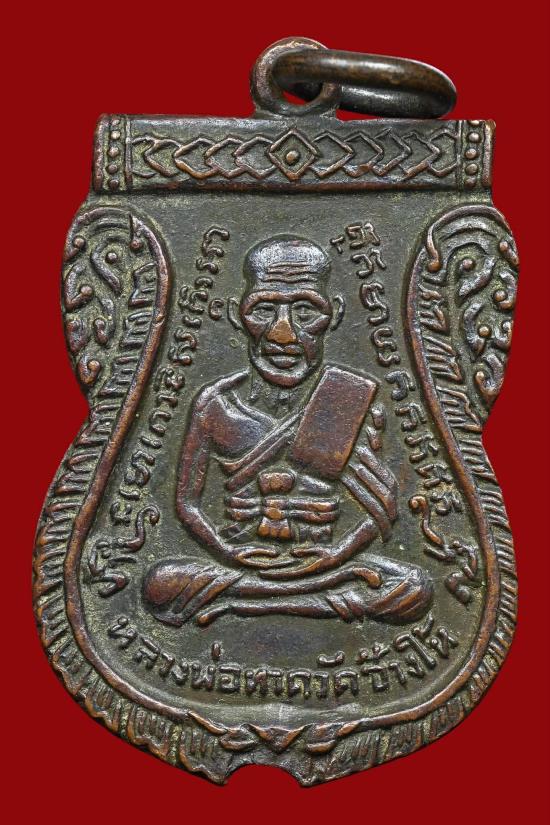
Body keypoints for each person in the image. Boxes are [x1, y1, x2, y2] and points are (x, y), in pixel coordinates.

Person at [143, 235, 432, 626]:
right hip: (243, 561)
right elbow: (187, 505)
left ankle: (246, 603)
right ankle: (301, 598)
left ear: (335, 314)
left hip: (324, 561)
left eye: (306, 311)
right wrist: (228, 552)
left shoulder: (344, 396)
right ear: (235, 315)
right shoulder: (215, 404)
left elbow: (383, 506)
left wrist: (336, 556)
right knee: (160, 584)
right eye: (263, 310)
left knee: (414, 587)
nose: (283, 334)